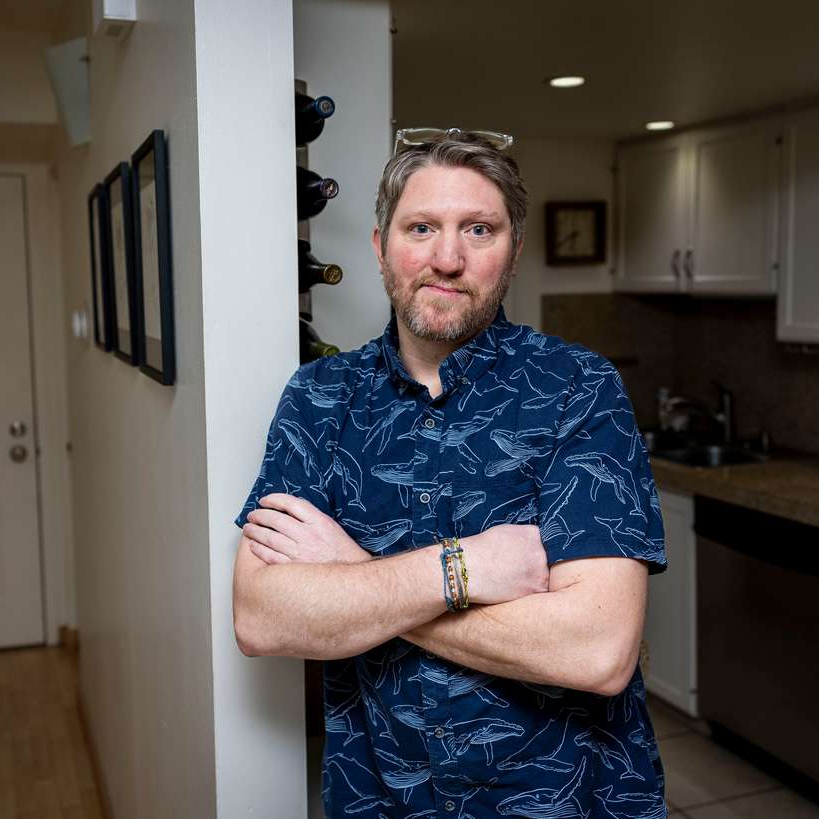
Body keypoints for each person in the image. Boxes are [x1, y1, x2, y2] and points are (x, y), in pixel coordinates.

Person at [233, 129, 667, 818]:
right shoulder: (318, 399)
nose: (447, 257)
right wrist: (462, 569)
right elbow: (262, 616)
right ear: (380, 247)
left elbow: (598, 649)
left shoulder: (579, 390)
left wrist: (355, 572)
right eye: (422, 226)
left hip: (574, 801)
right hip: (380, 800)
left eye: (480, 229)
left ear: (514, 252)